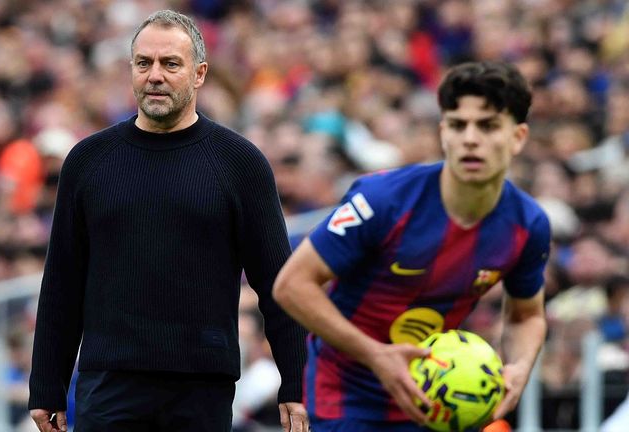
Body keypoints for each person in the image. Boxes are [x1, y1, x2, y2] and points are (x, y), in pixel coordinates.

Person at [28, 9, 308, 432]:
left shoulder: (239, 163)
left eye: (170, 63)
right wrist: (47, 386)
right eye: (144, 63)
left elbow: (278, 284)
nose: (154, 75)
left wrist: (297, 382)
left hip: (201, 387)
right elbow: (62, 281)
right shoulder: (88, 161)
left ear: (199, 74)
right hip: (108, 383)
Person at [273, 61, 551, 431]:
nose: (470, 138)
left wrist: (519, 367)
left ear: (518, 137)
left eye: (487, 125)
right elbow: (291, 285)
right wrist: (376, 355)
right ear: (443, 132)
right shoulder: (384, 200)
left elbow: (526, 315)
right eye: (457, 124)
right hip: (346, 397)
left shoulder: (527, 225)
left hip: (437, 404)